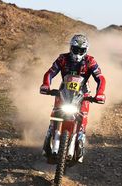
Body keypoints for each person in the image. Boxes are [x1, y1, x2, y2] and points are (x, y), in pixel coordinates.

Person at [40, 34, 106, 162]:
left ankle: (80, 141)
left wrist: (100, 94)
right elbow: (50, 72)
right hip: (64, 91)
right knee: (55, 114)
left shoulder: (90, 61)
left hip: (83, 94)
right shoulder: (62, 59)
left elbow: (100, 78)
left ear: (86, 50)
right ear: (71, 48)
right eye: (76, 49)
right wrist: (46, 85)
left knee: (82, 118)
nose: (78, 53)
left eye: (81, 50)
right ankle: (49, 137)